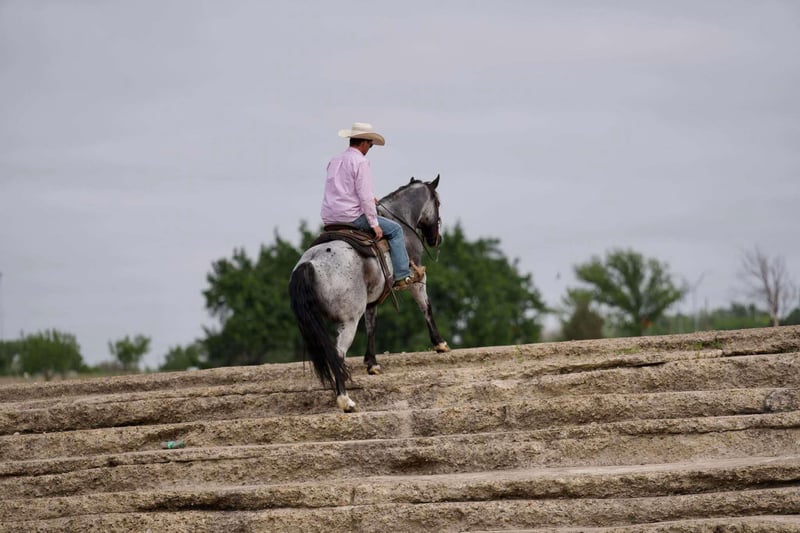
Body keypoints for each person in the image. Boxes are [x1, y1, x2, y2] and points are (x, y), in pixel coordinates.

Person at [321, 122, 415, 289]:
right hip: (351, 217)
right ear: (364, 143)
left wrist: (370, 198)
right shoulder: (361, 161)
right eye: (370, 145)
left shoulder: (334, 160)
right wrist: (374, 223)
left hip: (329, 218)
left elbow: (341, 188)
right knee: (395, 230)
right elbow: (364, 197)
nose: (369, 148)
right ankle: (402, 276)